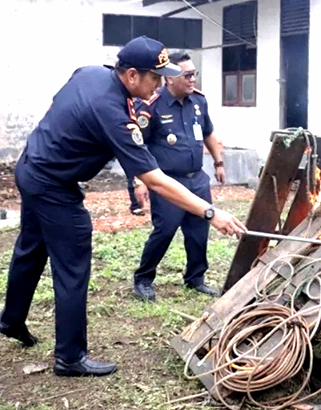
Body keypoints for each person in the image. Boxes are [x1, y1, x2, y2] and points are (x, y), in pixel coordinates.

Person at [0, 36, 247, 377]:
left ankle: (11, 320)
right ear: (132, 75)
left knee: (30, 248)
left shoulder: (90, 73)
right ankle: (69, 357)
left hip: (32, 166)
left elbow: (54, 104)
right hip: (53, 185)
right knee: (72, 266)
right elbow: (156, 179)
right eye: (155, 78)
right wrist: (211, 212)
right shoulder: (114, 115)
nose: (160, 85)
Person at [132, 52, 225, 301]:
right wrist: (139, 181)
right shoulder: (151, 105)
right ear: (170, 78)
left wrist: (218, 162)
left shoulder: (198, 101)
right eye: (188, 75)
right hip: (168, 182)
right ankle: (143, 279)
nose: (193, 79)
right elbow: (138, 146)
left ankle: (195, 278)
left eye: (195, 74)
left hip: (197, 179)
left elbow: (208, 132)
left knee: (198, 231)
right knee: (165, 230)